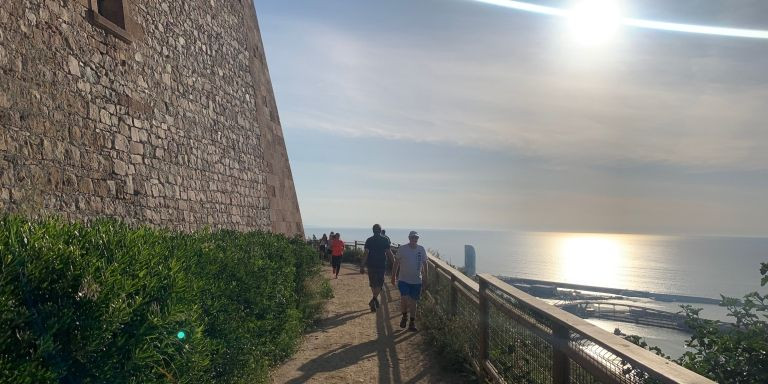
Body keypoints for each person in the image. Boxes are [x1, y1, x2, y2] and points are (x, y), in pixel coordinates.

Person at [391, 230, 428, 331]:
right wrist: (393, 276)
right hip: (404, 280)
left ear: (417, 239)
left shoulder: (421, 249)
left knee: (413, 302)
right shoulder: (403, 249)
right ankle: (404, 316)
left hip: (417, 281)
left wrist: (425, 278)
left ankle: (412, 322)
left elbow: (425, 264)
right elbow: (396, 263)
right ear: (409, 238)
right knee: (404, 298)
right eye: (412, 237)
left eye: (416, 238)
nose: (414, 239)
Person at [361, 224, 395, 313]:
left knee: (373, 284)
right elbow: (389, 252)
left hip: (371, 264)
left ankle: (374, 300)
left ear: (373, 230)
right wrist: (394, 262)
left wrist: (362, 265)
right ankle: (374, 299)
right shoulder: (385, 240)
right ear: (380, 230)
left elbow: (366, 253)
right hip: (381, 265)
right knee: (380, 284)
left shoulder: (369, 240)